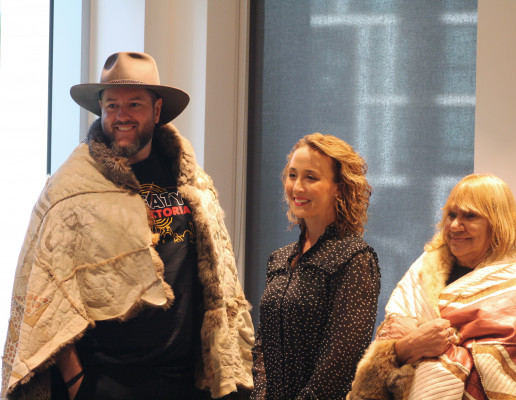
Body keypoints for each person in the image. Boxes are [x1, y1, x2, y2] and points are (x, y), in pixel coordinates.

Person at [1, 52, 254, 400]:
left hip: (184, 382)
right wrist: (78, 382)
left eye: (134, 104)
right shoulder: (72, 189)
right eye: (112, 105)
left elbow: (217, 280)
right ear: (101, 110)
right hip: (109, 382)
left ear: (157, 110)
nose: (122, 116)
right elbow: (46, 291)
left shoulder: (190, 182)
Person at [347, 173, 516, 400]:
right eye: (451, 214)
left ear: (497, 224)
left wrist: (434, 346)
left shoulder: (514, 290)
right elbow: (384, 350)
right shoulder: (422, 269)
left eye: (470, 216)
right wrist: (411, 346)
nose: (454, 225)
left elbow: (507, 378)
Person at [251, 133, 381, 400]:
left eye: (311, 177)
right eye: (292, 175)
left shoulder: (355, 258)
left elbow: (340, 364)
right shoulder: (279, 259)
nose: (297, 187)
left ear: (339, 187)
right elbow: (263, 346)